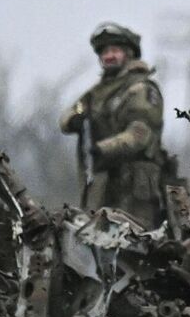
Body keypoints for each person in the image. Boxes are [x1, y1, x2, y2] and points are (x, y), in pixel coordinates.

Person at [59, 22, 170, 228]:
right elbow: (67, 119)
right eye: (104, 52)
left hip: (135, 190)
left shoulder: (141, 89)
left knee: (133, 245)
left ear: (128, 53)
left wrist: (102, 149)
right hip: (101, 185)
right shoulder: (98, 92)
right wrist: (75, 119)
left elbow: (139, 135)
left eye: (115, 50)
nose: (109, 56)